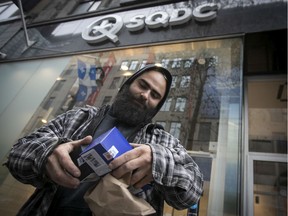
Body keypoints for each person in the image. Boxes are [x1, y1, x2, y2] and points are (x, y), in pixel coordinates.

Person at [5, 64, 204, 216]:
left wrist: (159, 161)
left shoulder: (162, 142)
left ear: (157, 107)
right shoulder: (79, 117)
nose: (145, 96)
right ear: (126, 85)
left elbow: (191, 193)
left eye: (155, 95)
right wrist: (46, 153)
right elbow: (17, 153)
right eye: (142, 85)